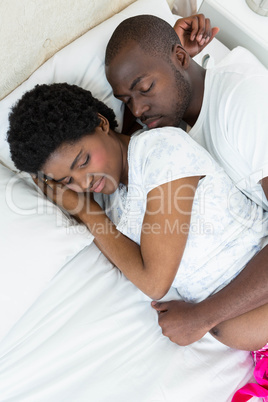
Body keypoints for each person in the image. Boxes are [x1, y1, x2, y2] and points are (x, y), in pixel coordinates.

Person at [7, 83, 268, 357]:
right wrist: (87, 210)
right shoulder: (111, 200)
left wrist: (86, 212)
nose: (84, 182)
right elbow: (129, 267)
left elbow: (154, 282)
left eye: (83, 161)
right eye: (67, 181)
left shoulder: (160, 152)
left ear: (101, 123)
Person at [104, 13, 268, 347]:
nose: (137, 111)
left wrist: (202, 317)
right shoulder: (174, 123)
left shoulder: (243, 100)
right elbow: (140, 151)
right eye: (125, 101)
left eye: (145, 88)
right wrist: (172, 62)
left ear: (180, 59)